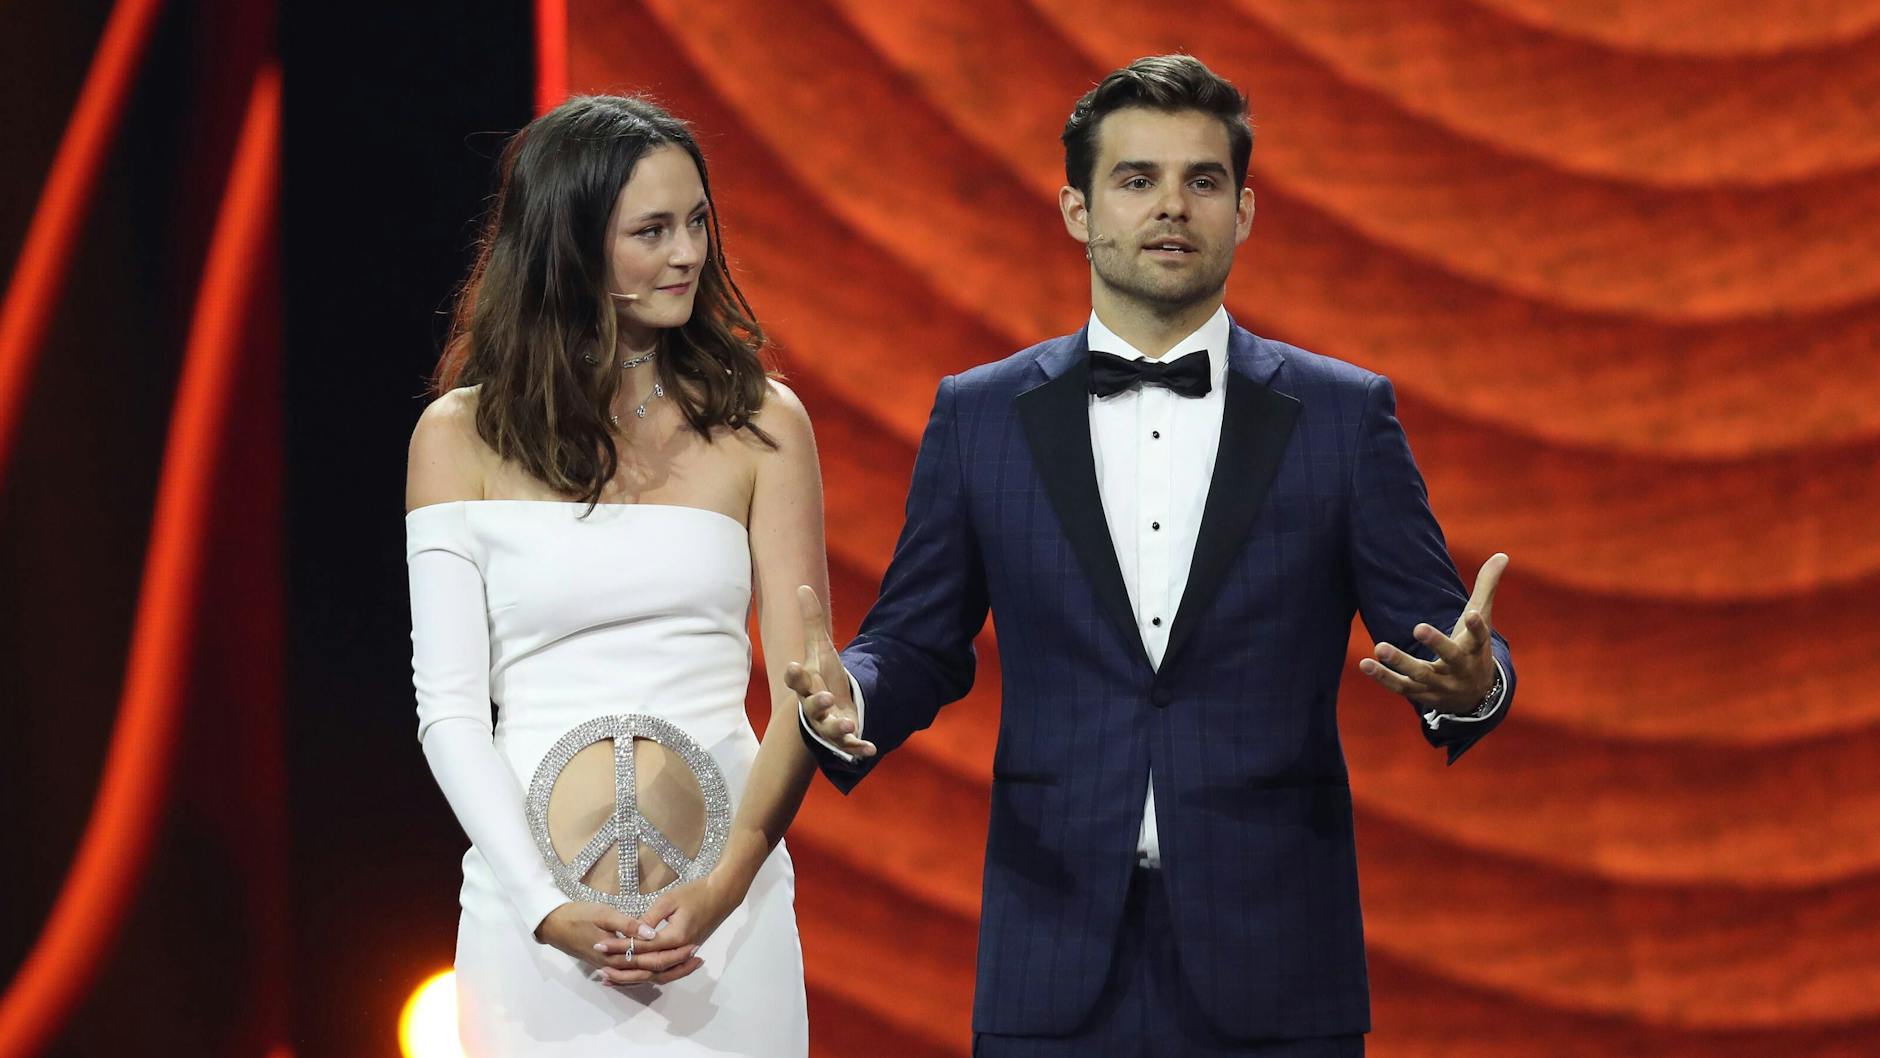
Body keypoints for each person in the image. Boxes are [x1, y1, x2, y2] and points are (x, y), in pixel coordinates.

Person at [789, 55, 1515, 1057]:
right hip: (1051, 954)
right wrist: (854, 694)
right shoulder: (981, 416)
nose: (1170, 205)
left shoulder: (1342, 417)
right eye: (1135, 179)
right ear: (1076, 210)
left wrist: (1471, 683)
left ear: (1245, 212)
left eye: (1201, 180)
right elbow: (915, 637)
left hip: (1276, 962)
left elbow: (1439, 635)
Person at [404, 95, 823, 1055]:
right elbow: (451, 712)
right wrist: (547, 906)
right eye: (653, 231)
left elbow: (806, 688)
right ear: (569, 246)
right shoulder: (457, 437)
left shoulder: (766, 424)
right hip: (531, 930)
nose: (689, 255)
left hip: (726, 919)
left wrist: (722, 891)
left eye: (698, 223)